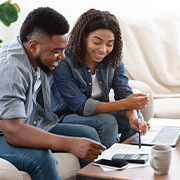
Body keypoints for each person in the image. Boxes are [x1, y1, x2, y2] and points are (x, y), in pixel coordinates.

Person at [0, 7, 106, 180]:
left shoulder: (35, 55)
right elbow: (12, 131)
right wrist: (70, 144)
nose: (62, 56)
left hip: (29, 123)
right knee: (43, 159)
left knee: (89, 135)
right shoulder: (11, 68)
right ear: (33, 45)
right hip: (5, 133)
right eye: (57, 51)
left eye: (64, 49)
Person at [50, 8, 151, 149]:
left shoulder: (113, 59)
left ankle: (125, 160)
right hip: (64, 117)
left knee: (135, 118)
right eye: (97, 42)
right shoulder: (64, 60)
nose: (103, 50)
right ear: (84, 37)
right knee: (108, 122)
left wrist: (134, 117)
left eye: (109, 44)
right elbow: (80, 106)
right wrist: (125, 103)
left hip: (94, 115)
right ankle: (103, 167)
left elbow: (123, 93)